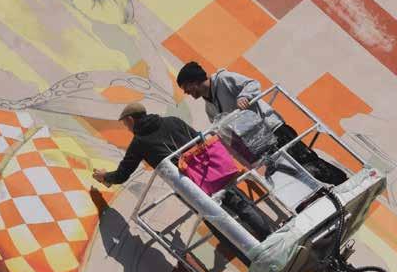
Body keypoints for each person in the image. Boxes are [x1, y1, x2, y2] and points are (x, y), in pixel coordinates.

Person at [93, 102, 272, 246]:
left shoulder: (139, 143)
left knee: (217, 221)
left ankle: (251, 255)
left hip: (190, 186)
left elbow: (123, 174)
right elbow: (199, 139)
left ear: (131, 119)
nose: (127, 128)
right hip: (211, 172)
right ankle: (270, 237)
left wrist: (105, 176)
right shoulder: (173, 121)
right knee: (240, 204)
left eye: (125, 124)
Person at [176, 62, 347, 185]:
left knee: (305, 159)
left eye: (186, 87)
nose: (186, 92)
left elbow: (252, 84)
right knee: (291, 171)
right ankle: (326, 191)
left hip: (273, 128)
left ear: (194, 81)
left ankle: (341, 182)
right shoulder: (209, 107)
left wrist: (244, 96)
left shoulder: (224, 79)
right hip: (259, 142)